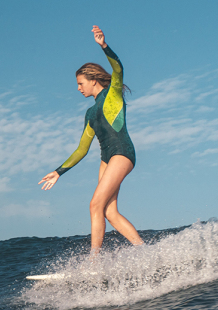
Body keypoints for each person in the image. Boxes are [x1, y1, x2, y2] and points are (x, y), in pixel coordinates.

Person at [40, 26, 144, 254]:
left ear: (94, 80)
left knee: (94, 204)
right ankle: (144, 251)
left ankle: (94, 262)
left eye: (81, 83)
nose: (78, 88)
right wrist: (59, 171)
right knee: (109, 211)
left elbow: (118, 68)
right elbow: (81, 149)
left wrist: (103, 46)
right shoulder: (89, 114)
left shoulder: (113, 93)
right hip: (106, 158)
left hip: (122, 152)